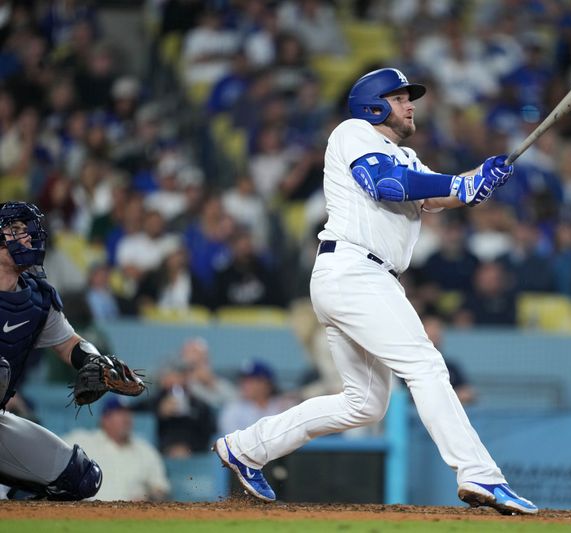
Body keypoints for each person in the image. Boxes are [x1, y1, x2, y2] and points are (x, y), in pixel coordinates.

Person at [213, 68, 537, 515]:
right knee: (425, 365)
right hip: (354, 271)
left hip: (357, 277)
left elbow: (436, 194)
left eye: (409, 98)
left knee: (363, 404)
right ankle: (479, 473)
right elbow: (385, 184)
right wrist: (460, 184)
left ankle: (247, 448)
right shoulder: (353, 133)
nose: (410, 105)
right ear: (373, 104)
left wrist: (481, 177)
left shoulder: (404, 155)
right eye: (401, 98)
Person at [0, 201, 141, 500]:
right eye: (14, 231)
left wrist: (96, 361)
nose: (26, 238)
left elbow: (68, 344)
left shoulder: (36, 300)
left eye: (27, 231)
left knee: (80, 478)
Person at [62, 397, 170, 501]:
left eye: (128, 412)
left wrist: (149, 499)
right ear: (104, 419)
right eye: (119, 413)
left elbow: (161, 490)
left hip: (130, 516)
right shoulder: (82, 441)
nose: (126, 418)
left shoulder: (146, 451)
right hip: (87, 514)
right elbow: (52, 452)